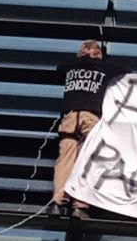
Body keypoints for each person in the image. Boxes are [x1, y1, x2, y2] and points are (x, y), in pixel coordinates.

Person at [51, 40, 127, 218]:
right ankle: (80, 205)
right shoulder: (104, 68)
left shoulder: (71, 68)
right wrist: (100, 62)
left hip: (69, 119)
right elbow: (125, 70)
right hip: (89, 118)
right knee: (88, 160)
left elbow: (59, 68)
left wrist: (80, 61)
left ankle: (57, 202)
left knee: (65, 160)